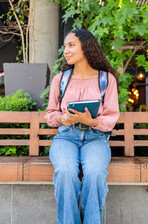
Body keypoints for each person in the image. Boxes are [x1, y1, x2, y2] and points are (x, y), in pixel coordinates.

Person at [44, 29, 119, 224]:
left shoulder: (106, 79)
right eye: (65, 47)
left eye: (71, 45)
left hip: (96, 137)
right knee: (65, 173)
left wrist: (92, 121)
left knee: (95, 173)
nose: (66, 51)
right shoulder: (60, 80)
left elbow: (111, 116)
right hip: (66, 137)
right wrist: (62, 119)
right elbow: (50, 114)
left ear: (86, 47)